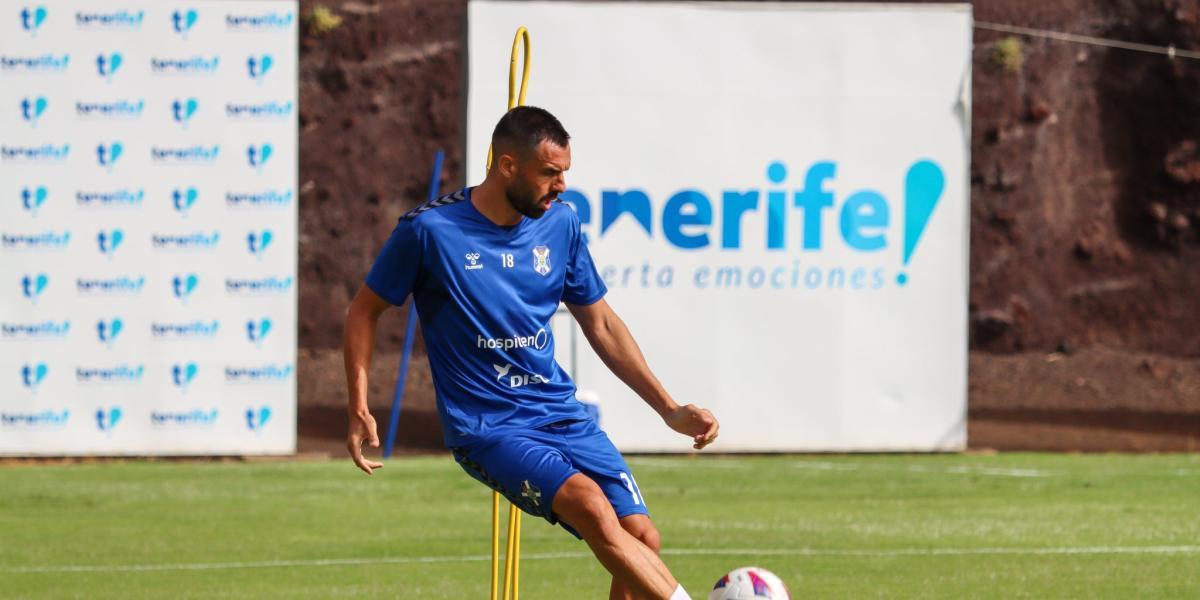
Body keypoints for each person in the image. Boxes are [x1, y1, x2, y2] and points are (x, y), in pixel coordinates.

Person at [343, 106, 719, 600]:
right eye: (549, 172)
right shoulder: (429, 231)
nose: (561, 184)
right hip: (488, 427)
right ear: (507, 166)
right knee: (588, 503)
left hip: (560, 412)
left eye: (565, 172)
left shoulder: (561, 225)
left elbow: (601, 323)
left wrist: (668, 408)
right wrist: (358, 406)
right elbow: (362, 312)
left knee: (642, 537)